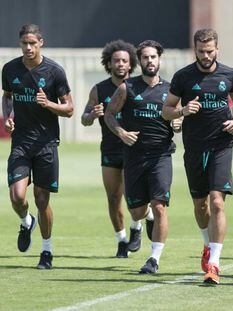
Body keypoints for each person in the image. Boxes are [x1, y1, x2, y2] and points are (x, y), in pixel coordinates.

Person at [162, 28, 233, 285]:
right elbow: (166, 111)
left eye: (210, 51)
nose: (206, 55)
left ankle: (214, 265)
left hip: (222, 145)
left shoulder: (229, 74)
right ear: (195, 50)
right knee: (201, 205)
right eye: (201, 51)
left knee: (217, 202)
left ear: (217, 49)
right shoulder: (183, 77)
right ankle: (207, 246)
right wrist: (183, 111)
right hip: (194, 148)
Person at [1, 24, 74, 269]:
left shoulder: (55, 71)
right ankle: (25, 221)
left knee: (42, 200)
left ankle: (47, 251)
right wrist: (8, 116)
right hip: (21, 142)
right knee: (17, 196)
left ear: (41, 42)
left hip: (46, 144)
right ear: (20, 44)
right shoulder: (10, 69)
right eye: (24, 43)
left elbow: (70, 109)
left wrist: (49, 104)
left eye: (33, 43)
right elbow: (7, 95)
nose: (29, 47)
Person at [105, 40, 180, 273]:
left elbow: (178, 117)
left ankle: (153, 259)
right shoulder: (127, 88)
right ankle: (143, 216)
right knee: (137, 210)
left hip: (161, 156)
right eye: (145, 57)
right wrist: (121, 132)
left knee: (160, 206)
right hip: (134, 158)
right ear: (140, 61)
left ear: (159, 60)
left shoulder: (171, 90)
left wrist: (178, 123)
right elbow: (109, 114)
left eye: (154, 57)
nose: (150, 61)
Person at [81, 39, 154, 258]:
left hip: (134, 148)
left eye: (124, 60)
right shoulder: (99, 89)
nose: (120, 64)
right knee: (113, 197)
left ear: (131, 63)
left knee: (134, 196)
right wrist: (92, 115)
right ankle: (121, 240)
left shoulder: (138, 86)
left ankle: (140, 221)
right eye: (116, 61)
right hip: (110, 150)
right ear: (109, 63)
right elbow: (84, 119)